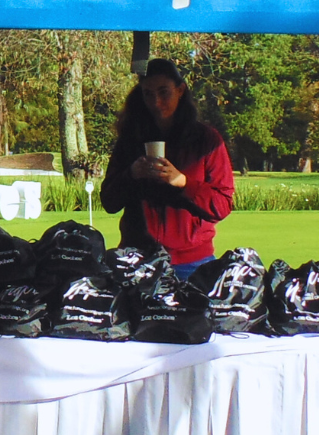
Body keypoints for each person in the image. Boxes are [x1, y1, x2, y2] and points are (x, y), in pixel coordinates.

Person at [99, 59, 235, 277]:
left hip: (192, 262)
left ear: (180, 90)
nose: (156, 102)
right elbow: (108, 201)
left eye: (164, 92)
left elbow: (222, 205)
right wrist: (131, 175)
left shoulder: (206, 140)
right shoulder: (131, 139)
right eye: (148, 94)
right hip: (137, 259)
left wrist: (182, 182)